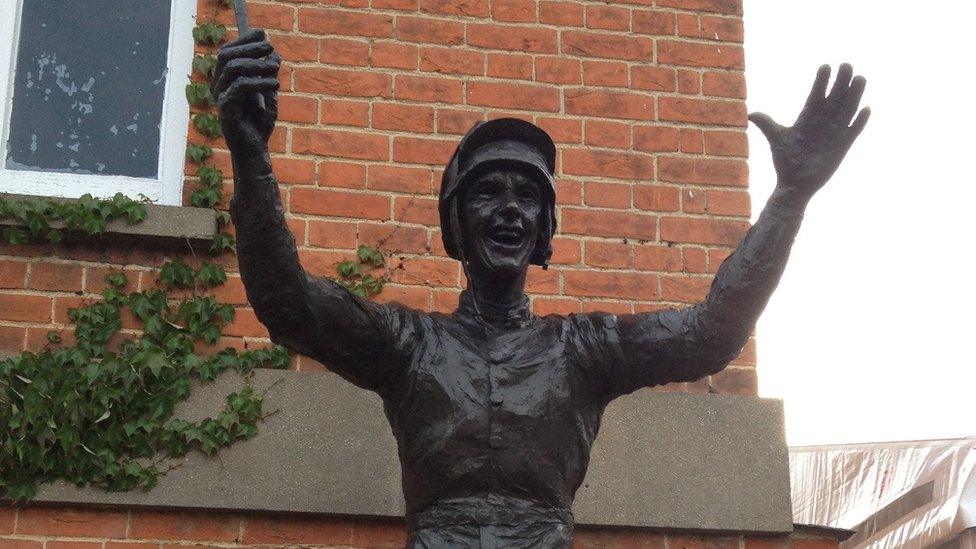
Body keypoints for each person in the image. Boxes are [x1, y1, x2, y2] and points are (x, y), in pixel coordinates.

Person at [213, 29, 869, 549]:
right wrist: (250, 152)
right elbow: (285, 301)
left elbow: (710, 333)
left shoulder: (582, 350)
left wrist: (789, 195)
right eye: (488, 193)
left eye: (527, 196)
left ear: (545, 230)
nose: (508, 209)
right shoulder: (409, 346)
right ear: (456, 223)